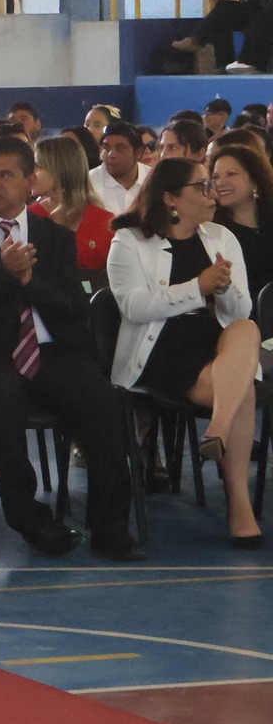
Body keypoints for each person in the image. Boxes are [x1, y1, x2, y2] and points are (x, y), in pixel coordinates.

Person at [0, 136, 141, 560]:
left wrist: (30, 282)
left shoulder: (54, 236)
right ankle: (30, 521)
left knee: (101, 399)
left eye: (5, 174)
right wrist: (5, 275)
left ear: (30, 180)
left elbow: (72, 307)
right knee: (2, 397)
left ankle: (110, 527)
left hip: (46, 350)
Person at [107, 158, 263, 545]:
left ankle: (217, 429)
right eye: (202, 186)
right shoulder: (128, 240)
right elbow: (134, 307)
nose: (213, 194)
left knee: (247, 328)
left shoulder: (220, 237)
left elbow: (239, 311)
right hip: (159, 344)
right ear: (170, 198)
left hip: (212, 338)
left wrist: (224, 287)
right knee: (242, 389)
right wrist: (198, 287)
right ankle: (240, 508)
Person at [30, 135, 114, 273]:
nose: (31, 174)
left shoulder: (105, 222)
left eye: (37, 167)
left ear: (59, 169)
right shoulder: (29, 217)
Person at [211, 140, 273, 294]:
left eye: (231, 174)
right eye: (215, 177)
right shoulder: (215, 232)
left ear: (254, 179)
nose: (220, 183)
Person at [89, 121, 150, 215]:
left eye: (120, 148)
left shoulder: (153, 179)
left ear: (138, 151)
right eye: (107, 148)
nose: (111, 154)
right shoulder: (89, 183)